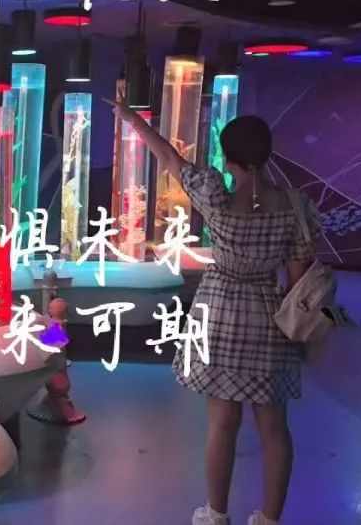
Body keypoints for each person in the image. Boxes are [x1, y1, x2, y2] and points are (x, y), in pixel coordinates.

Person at [108, 95, 321, 525]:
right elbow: (299, 279)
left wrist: (131, 118)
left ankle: (216, 514)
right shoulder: (295, 208)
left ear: (228, 158)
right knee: (274, 427)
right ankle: (270, 519)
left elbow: (169, 157)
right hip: (270, 318)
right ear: (267, 154)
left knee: (222, 423)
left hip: (219, 314)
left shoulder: (216, 199)